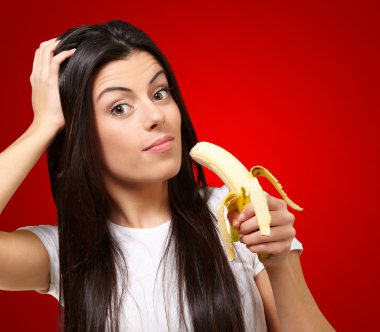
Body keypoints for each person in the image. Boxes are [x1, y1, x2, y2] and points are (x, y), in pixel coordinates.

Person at [0, 20, 335, 332]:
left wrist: (278, 266)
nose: (155, 115)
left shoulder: (235, 215)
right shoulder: (66, 253)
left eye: (159, 93)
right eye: (120, 107)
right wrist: (42, 127)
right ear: (78, 135)